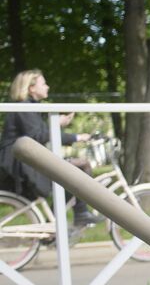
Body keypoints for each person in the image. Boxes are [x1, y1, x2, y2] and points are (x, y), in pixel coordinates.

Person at [0, 70, 97, 229]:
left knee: (76, 172)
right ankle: (77, 215)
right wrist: (68, 131)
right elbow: (39, 135)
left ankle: (63, 220)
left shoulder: (29, 107)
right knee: (80, 167)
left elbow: (40, 133)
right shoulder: (24, 108)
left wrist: (68, 131)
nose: (47, 86)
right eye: (43, 83)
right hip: (19, 165)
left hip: (24, 161)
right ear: (31, 88)